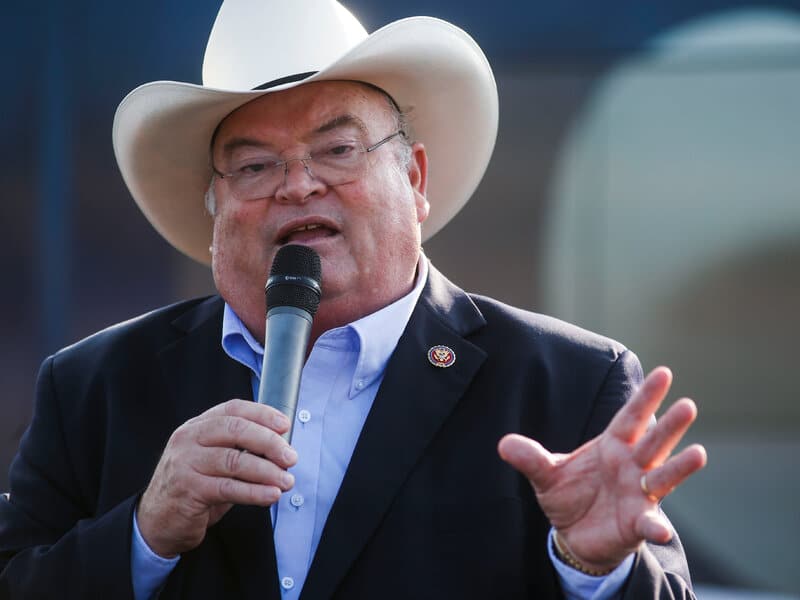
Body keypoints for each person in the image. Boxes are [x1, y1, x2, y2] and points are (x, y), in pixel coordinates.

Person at [0, 1, 707, 598]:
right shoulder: (94, 385)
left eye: (337, 150)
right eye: (254, 165)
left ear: (416, 176)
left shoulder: (570, 383)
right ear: (216, 207)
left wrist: (596, 568)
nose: (298, 185)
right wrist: (144, 534)